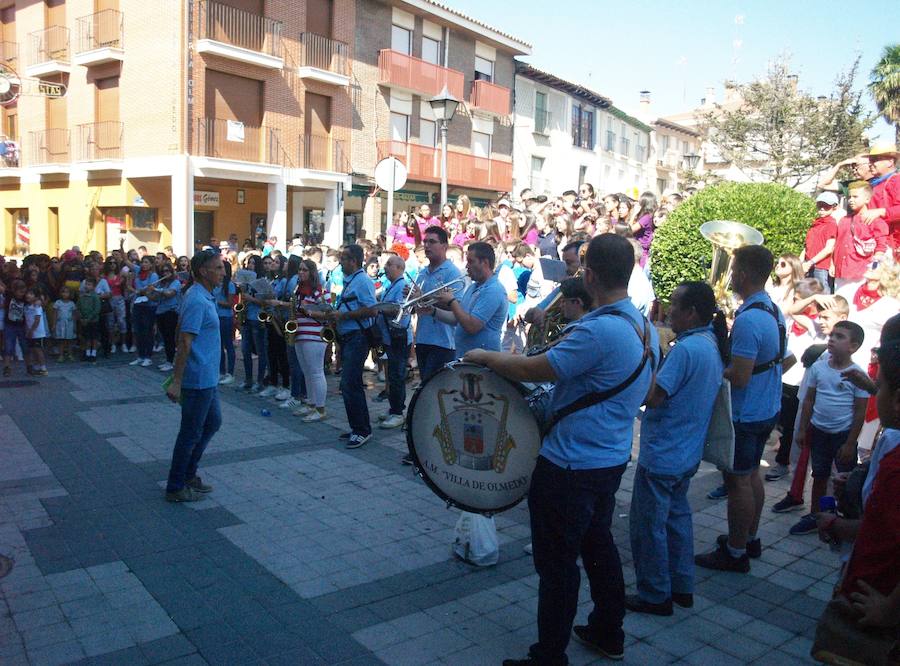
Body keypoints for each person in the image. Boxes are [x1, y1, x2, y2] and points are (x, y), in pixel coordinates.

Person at [466, 234, 659, 666]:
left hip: (569, 464)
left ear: (588, 275)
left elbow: (534, 367)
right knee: (598, 546)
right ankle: (609, 632)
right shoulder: (644, 327)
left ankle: (548, 655)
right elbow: (645, 389)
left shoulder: (599, 330)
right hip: (609, 459)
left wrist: (486, 356)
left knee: (556, 566)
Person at [628, 281, 726, 616]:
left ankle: (655, 593)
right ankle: (681, 585)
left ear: (692, 312)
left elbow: (655, 397)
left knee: (649, 525)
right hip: (685, 450)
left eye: (674, 305)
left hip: (665, 452)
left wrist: (643, 365)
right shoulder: (708, 343)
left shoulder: (686, 350)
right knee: (676, 519)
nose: (668, 310)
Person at [696, 245, 786, 573]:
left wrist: (716, 366)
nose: (731, 275)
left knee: (737, 483)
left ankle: (735, 553)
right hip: (767, 408)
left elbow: (741, 377)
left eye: (734, 270)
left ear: (744, 274)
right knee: (750, 476)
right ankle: (749, 538)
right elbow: (781, 360)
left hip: (746, 414)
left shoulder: (749, 319)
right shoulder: (774, 310)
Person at [788, 321, 868, 536]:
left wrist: (851, 443)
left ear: (854, 346)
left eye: (840, 336)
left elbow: (860, 411)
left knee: (845, 479)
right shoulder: (818, 367)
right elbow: (808, 401)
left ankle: (845, 519)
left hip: (843, 435)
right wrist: (803, 429)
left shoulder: (857, 374)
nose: (832, 339)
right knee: (819, 476)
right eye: (831, 334)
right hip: (819, 432)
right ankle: (817, 516)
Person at [164, 249, 224, 502]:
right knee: (190, 432)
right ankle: (176, 486)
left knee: (212, 423)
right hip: (197, 378)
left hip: (208, 377)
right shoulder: (197, 299)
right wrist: (177, 381)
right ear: (203, 271)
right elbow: (185, 341)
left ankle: (188, 473)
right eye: (218, 268)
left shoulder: (205, 296)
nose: (223, 272)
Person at [314, 244, 377, 449]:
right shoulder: (351, 280)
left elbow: (371, 311)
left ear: (354, 261)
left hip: (358, 337)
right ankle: (357, 427)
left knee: (351, 383)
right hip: (348, 336)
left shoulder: (363, 281)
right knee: (348, 384)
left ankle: (362, 430)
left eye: (344, 258)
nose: (340, 262)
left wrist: (344, 315)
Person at [431, 241, 508, 357]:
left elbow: (471, 327)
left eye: (471, 262)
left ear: (485, 263)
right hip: (466, 357)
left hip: (483, 361)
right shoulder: (473, 287)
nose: (467, 266)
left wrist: (452, 302)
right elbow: (457, 319)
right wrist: (433, 311)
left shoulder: (493, 290)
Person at [413, 226, 464, 381]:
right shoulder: (422, 273)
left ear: (444, 246)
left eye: (432, 242)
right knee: (425, 387)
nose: (427, 246)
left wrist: (423, 299)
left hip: (442, 341)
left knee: (435, 389)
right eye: (425, 242)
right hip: (422, 338)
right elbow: (418, 306)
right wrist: (412, 300)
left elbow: (456, 307)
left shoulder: (452, 272)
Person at [832, 181, 889, 293]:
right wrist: (832, 265)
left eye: (855, 197)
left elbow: (881, 248)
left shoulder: (875, 221)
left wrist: (874, 269)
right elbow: (837, 244)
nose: (851, 200)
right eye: (849, 197)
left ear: (867, 199)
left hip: (861, 273)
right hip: (840, 271)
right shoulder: (843, 220)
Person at [291, 259, 329, 422]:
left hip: (314, 336)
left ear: (312, 272)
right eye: (300, 269)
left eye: (305, 270)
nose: (301, 272)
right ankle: (311, 404)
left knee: (316, 372)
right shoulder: (298, 290)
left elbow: (328, 313)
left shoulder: (319, 291)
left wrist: (309, 312)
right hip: (300, 333)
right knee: (307, 372)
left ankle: (320, 408)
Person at [377, 255, 411, 430]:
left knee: (397, 376)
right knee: (392, 375)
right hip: (390, 337)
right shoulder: (391, 285)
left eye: (390, 264)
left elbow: (400, 309)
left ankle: (398, 412)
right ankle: (393, 409)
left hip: (399, 337)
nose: (386, 267)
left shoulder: (403, 286)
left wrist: (379, 308)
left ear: (399, 268)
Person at [861, 143, 900, 248]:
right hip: (876, 244)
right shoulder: (874, 184)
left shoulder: (896, 181)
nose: (870, 164)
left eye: (875, 159)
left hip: (893, 247)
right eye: (870, 160)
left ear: (890, 162)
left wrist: (881, 212)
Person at [802, 192, 839, 293]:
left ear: (834, 207)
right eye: (820, 205)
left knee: (822, 297)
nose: (822, 208)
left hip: (821, 267)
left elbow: (829, 249)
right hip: (808, 265)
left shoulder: (831, 224)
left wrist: (810, 262)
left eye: (826, 206)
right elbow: (807, 246)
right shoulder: (816, 224)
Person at [151, 264, 181, 373]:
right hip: (160, 312)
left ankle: (171, 361)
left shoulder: (176, 283)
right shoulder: (160, 283)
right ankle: (168, 360)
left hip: (171, 312)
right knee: (165, 338)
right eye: (163, 271)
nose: (165, 273)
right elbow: (154, 299)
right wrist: (147, 291)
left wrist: (156, 289)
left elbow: (170, 293)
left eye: (168, 271)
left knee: (170, 338)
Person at [129, 257, 159, 367]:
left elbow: (150, 290)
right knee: (138, 331)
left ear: (151, 265)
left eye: (146, 262)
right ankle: (140, 356)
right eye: (142, 262)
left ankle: (148, 356)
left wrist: (141, 291)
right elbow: (127, 262)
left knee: (148, 331)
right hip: (138, 304)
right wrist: (122, 246)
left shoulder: (154, 276)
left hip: (149, 306)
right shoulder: (138, 271)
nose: (143, 264)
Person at [213, 260, 236, 386]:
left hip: (226, 318)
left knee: (228, 345)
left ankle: (230, 373)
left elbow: (229, 303)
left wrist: (215, 301)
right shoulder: (216, 284)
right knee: (219, 345)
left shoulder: (230, 285)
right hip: (216, 316)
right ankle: (221, 371)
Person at [24, 288, 48, 376]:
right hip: (30, 333)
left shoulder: (37, 306)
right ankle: (37, 367)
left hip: (38, 333)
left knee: (38, 350)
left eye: (31, 293)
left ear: (36, 296)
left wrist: (31, 330)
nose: (28, 295)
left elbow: (37, 320)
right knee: (33, 350)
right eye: (27, 293)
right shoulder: (26, 307)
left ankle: (43, 368)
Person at [77, 278, 102, 362]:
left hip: (93, 321)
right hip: (84, 320)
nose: (87, 286)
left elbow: (97, 309)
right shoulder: (82, 296)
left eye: (89, 284)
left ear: (93, 287)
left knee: (94, 338)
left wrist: (89, 318)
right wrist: (81, 317)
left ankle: (93, 353)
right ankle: (87, 353)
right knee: (86, 338)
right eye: (86, 284)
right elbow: (78, 307)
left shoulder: (95, 297)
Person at [53, 286, 77, 362]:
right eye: (63, 292)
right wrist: (54, 324)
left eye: (67, 292)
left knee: (70, 340)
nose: (65, 294)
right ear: (60, 293)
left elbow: (74, 315)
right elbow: (55, 314)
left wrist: (75, 325)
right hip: (60, 324)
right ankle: (61, 355)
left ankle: (70, 354)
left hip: (70, 324)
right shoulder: (58, 303)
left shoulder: (72, 303)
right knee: (61, 340)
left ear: (70, 294)